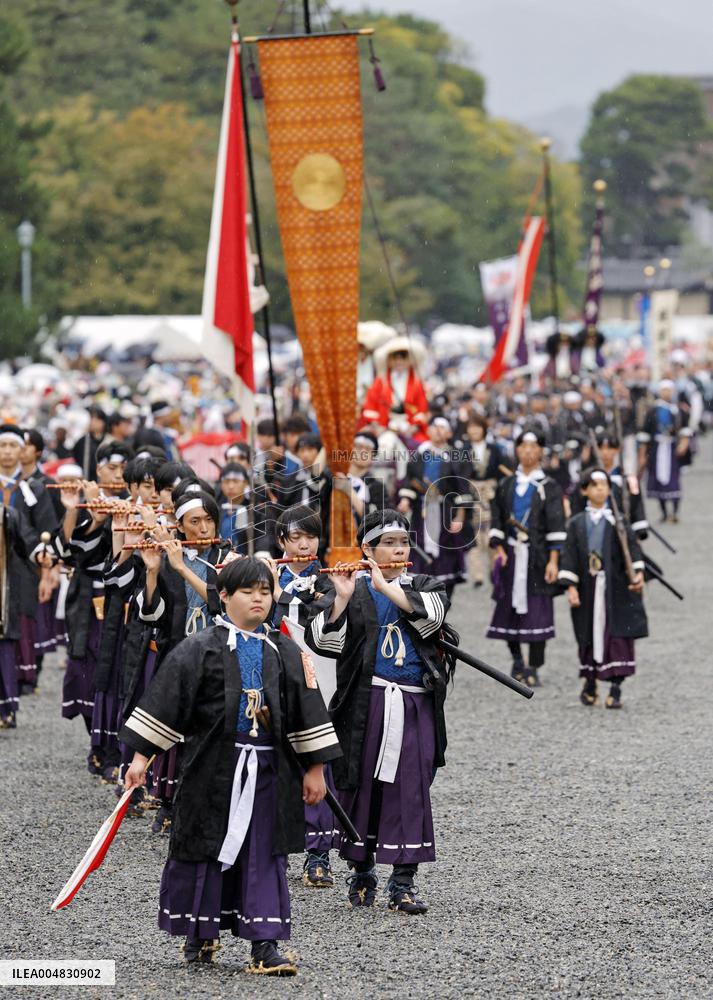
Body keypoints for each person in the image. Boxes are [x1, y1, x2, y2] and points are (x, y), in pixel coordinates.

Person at [120, 557, 341, 973]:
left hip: (268, 772)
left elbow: (306, 710)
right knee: (205, 846)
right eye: (247, 591)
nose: (258, 599)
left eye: (264, 591)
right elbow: (168, 703)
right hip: (211, 768)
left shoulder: (284, 650)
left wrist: (314, 769)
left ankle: (264, 944)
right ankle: (200, 934)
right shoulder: (199, 647)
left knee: (265, 851)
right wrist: (140, 757)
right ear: (223, 596)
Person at [306, 509, 451, 915]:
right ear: (366, 549)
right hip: (365, 705)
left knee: (410, 789)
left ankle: (403, 882)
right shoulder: (350, 587)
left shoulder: (423, 584)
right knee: (360, 786)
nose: (399, 549)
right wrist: (343, 597)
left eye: (403, 542)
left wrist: (385, 585)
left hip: (413, 703)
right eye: (388, 543)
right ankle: (362, 870)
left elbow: (432, 619)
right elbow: (324, 643)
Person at [267, 505, 338, 888]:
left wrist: (283, 594)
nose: (304, 544)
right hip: (276, 678)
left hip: (318, 681)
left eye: (310, 536)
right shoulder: (268, 577)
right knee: (277, 763)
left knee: (317, 760)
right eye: (296, 538)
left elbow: (325, 614)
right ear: (282, 541)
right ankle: (274, 851)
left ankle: (318, 854)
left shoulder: (326, 578)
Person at [558, 469, 647, 709]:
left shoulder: (618, 522)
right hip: (587, 588)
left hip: (615, 589)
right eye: (594, 485)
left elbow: (633, 550)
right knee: (587, 634)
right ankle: (590, 681)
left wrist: (637, 574)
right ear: (584, 490)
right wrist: (571, 587)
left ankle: (616, 687)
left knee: (617, 635)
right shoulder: (576, 523)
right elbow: (569, 557)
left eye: (604, 484)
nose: (600, 489)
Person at [487, 429, 566, 687]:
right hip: (511, 554)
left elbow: (556, 522)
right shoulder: (507, 484)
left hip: (538, 556)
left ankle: (533, 665)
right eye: (524, 446)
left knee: (538, 609)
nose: (529, 451)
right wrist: (499, 550)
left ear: (542, 451)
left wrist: (554, 561)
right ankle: (517, 659)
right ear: (517, 450)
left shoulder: (549, 487)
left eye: (534, 447)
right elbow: (497, 516)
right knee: (509, 607)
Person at [397, 417, 465, 598]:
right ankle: (420, 594)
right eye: (434, 427)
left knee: (444, 551)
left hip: (444, 512)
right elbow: (409, 482)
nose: (438, 431)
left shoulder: (455, 457)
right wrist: (405, 499)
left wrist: (459, 516)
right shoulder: (419, 455)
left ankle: (442, 597)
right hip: (422, 511)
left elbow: (461, 489)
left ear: (449, 433)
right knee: (420, 547)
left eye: (442, 427)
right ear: (428, 431)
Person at [637, 379, 692, 523]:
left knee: (674, 480)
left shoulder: (678, 410)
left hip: (672, 449)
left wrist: (683, 444)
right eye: (663, 390)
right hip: (656, 449)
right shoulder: (653, 411)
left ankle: (674, 512)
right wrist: (642, 455)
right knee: (658, 481)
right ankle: (664, 513)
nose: (666, 393)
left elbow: (685, 430)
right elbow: (645, 434)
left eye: (668, 390)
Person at [72, 405, 107, 480]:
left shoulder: (108, 440)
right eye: (91, 418)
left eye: (97, 419)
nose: (93, 422)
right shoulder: (83, 441)